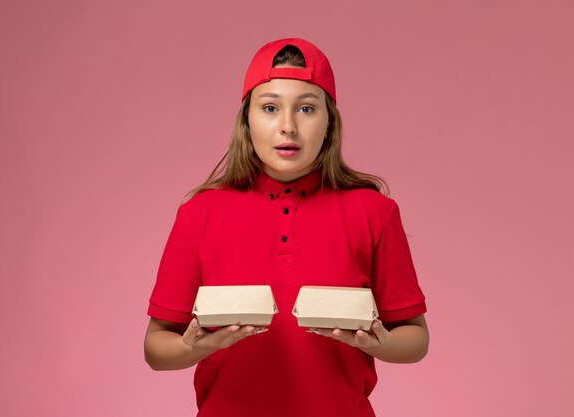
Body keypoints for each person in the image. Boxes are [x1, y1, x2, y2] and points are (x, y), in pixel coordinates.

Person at [144, 37, 429, 417]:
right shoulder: (200, 213)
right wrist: (194, 348)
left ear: (329, 122)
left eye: (307, 108)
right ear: (247, 119)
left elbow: (416, 338)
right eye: (270, 107)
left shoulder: (374, 212)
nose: (288, 126)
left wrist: (377, 343)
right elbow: (156, 348)